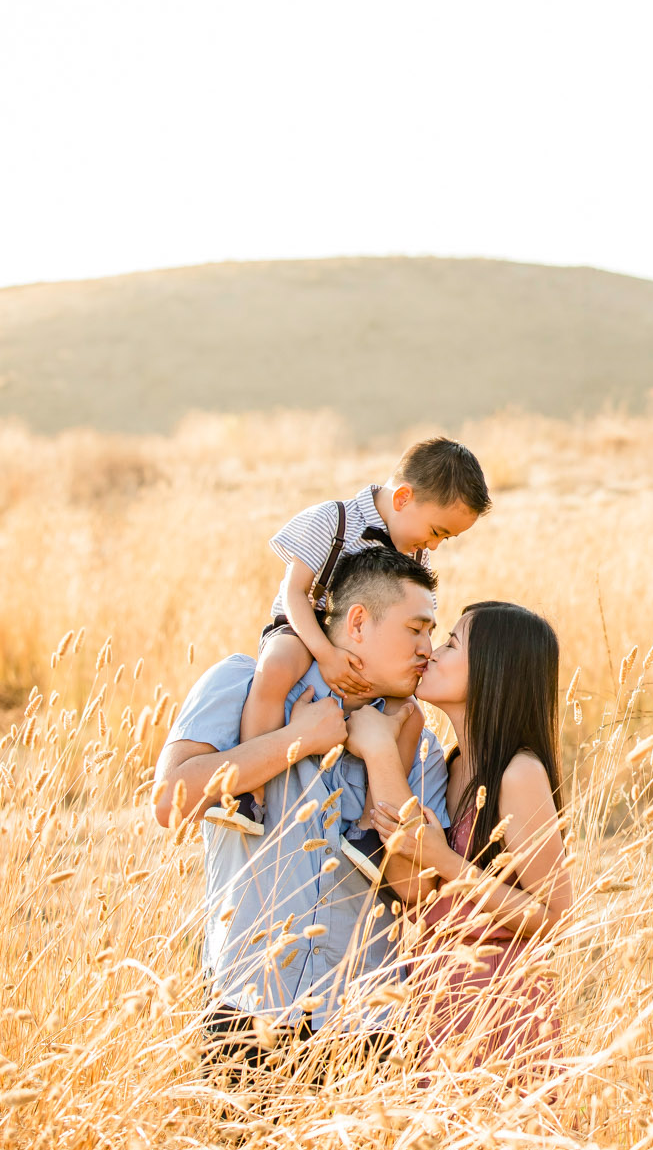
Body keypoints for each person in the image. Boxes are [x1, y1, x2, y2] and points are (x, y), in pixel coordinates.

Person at [150, 546, 451, 1084]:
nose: (429, 648)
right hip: (247, 1012)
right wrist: (296, 740)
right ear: (358, 623)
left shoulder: (420, 744)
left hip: (365, 1025)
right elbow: (171, 801)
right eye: (416, 629)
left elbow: (415, 888)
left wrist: (383, 755)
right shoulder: (241, 686)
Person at [206, 438, 489, 842]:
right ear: (404, 497)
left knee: (410, 714)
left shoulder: (415, 556)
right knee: (275, 667)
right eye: (436, 531)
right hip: (303, 629)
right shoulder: (332, 520)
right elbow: (293, 592)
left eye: (446, 539)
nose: (435, 545)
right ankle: (248, 793)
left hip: (358, 647)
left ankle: (372, 826)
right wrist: (324, 653)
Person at [366, 601, 573, 1068]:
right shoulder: (450, 765)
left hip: (501, 1007)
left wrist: (442, 859)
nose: (432, 653)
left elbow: (556, 917)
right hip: (436, 999)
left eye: (452, 643)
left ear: (494, 670)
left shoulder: (518, 774)